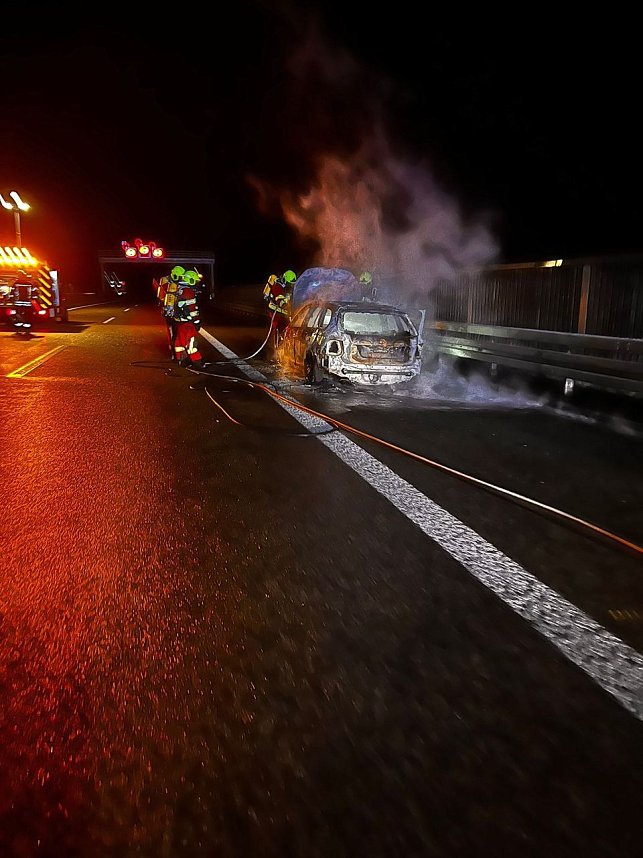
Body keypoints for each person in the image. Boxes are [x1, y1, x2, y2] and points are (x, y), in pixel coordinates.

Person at [172, 268, 206, 369]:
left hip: (180, 322)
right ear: (191, 280)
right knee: (191, 342)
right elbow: (192, 309)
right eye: (195, 281)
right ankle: (197, 362)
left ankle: (182, 360)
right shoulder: (188, 292)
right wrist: (196, 321)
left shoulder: (179, 289)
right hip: (187, 323)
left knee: (179, 341)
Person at [263, 269, 296, 349]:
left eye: (292, 284)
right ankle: (276, 349)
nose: (291, 286)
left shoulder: (287, 287)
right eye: (289, 284)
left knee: (286, 329)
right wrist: (285, 305)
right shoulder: (277, 286)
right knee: (276, 329)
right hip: (274, 310)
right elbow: (279, 298)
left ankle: (283, 346)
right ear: (285, 281)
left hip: (282, 311)